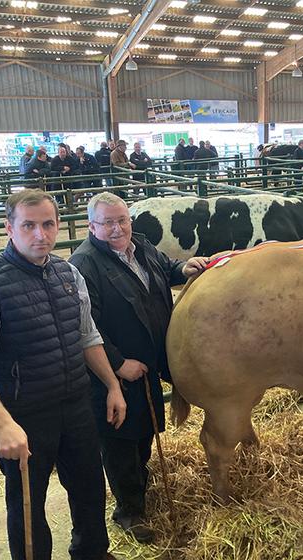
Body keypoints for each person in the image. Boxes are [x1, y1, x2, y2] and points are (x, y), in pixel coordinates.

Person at [0, 189, 126, 560]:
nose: (40, 235)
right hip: (23, 414)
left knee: (90, 489)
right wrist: (1, 424)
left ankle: (92, 553)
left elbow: (87, 336)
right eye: (28, 225)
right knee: (28, 504)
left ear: (59, 226)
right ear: (9, 229)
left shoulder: (68, 273)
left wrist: (112, 385)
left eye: (48, 224)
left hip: (76, 404)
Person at [69, 192, 208, 543]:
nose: (117, 229)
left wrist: (183, 268)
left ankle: (139, 491)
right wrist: (117, 364)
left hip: (146, 364)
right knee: (119, 441)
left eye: (122, 220)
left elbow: (164, 268)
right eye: (108, 223)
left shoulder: (141, 245)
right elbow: (87, 325)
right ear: (92, 226)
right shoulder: (84, 265)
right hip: (113, 372)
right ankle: (129, 512)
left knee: (142, 433)